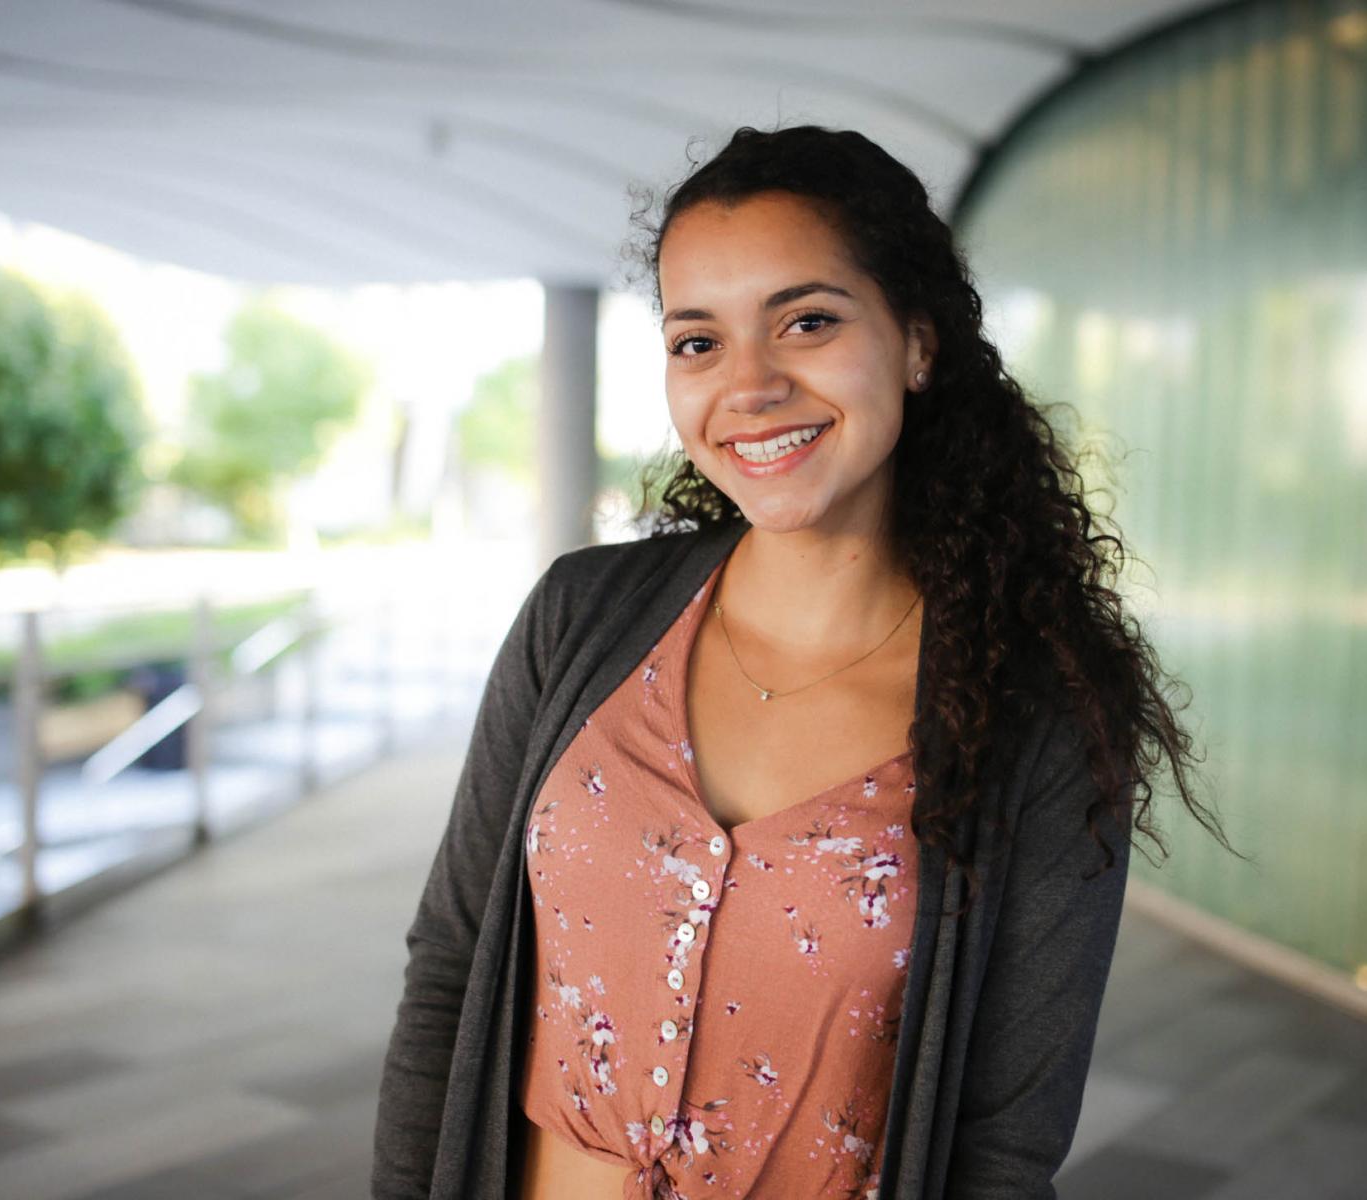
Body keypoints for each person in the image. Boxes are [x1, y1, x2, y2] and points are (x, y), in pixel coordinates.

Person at [372, 124, 1229, 1200]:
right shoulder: (577, 621)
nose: (752, 384)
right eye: (699, 342)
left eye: (808, 322)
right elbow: (452, 968)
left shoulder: (1036, 716)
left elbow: (1004, 1145)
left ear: (918, 343)